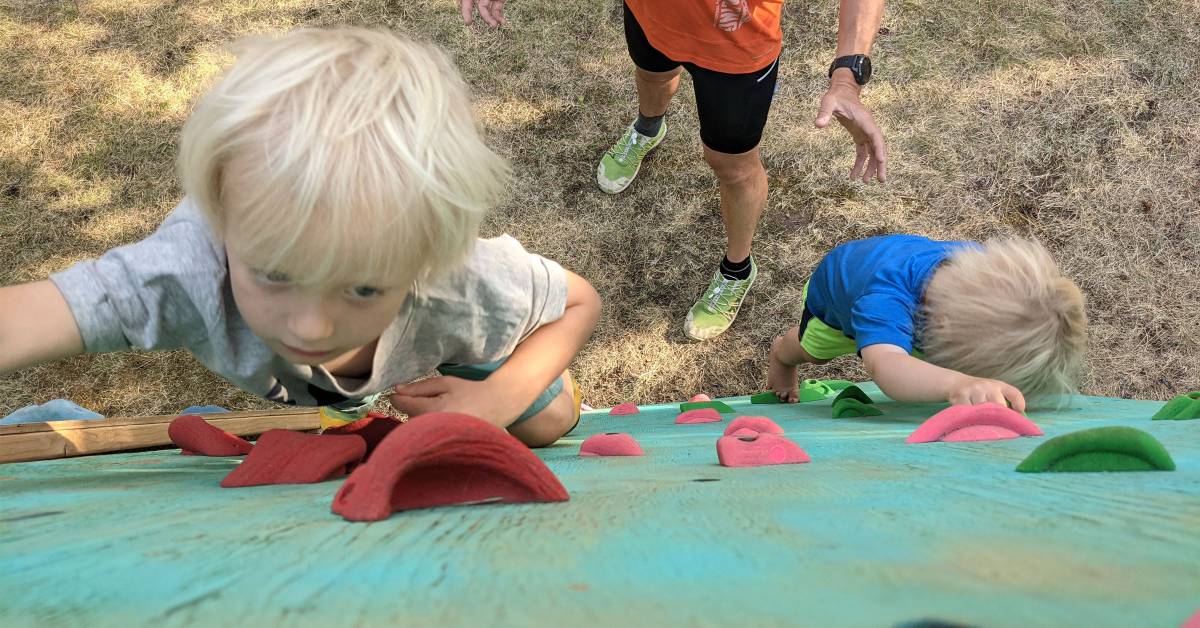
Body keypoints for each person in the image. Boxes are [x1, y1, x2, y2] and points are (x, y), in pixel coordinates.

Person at [0, 27, 601, 447]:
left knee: (547, 422)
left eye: (363, 287)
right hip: (316, 394)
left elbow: (578, 301)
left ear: (422, 259)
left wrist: (498, 397)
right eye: (274, 274)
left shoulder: (457, 283)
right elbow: (26, 319)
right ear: (222, 221)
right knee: (35, 427)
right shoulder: (185, 270)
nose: (310, 328)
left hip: (448, 354)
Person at [462, 0, 887, 341]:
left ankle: (737, 268)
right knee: (651, 73)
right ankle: (648, 128)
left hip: (735, 44)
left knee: (732, 166)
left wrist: (847, 77)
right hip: (649, 13)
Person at [765, 236, 1088, 410]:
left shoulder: (975, 271)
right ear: (941, 327)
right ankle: (781, 354)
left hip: (894, 278)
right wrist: (956, 383)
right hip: (835, 297)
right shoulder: (884, 300)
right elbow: (886, 366)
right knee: (813, 351)